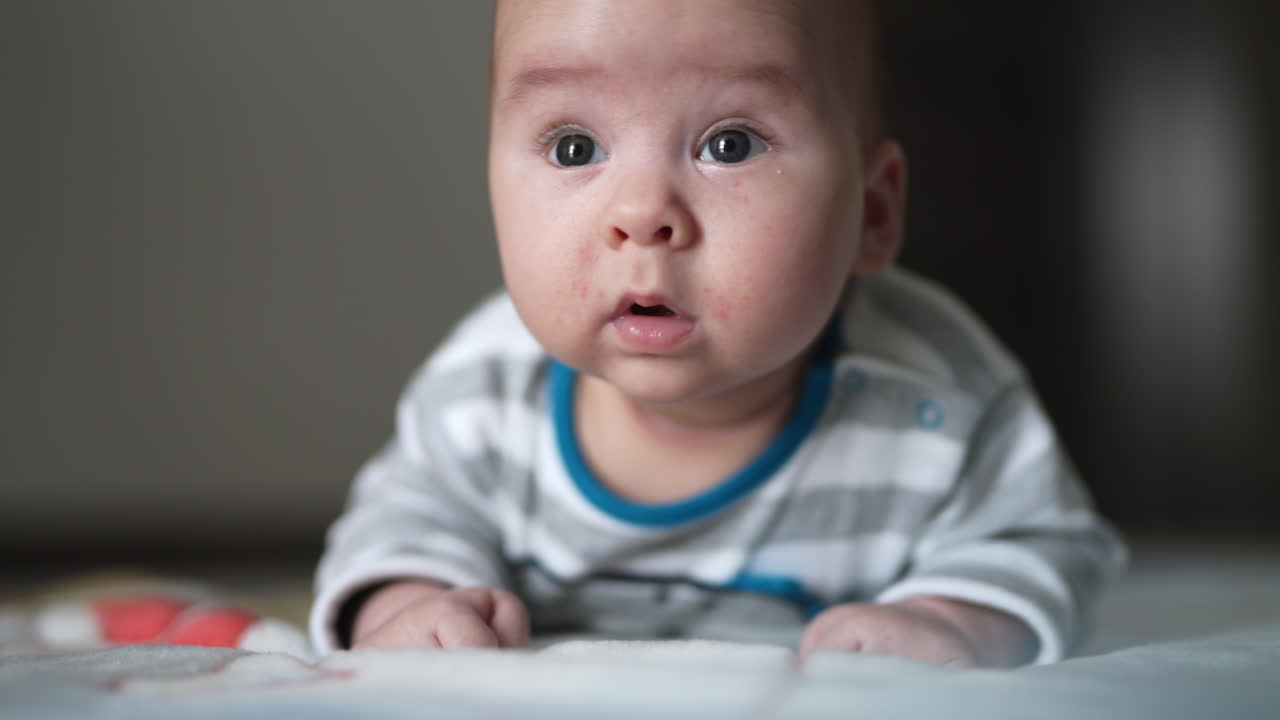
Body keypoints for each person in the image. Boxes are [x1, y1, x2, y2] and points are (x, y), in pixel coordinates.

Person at [309, 0, 1125, 668]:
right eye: (573, 146)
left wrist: (952, 623)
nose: (641, 214)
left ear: (872, 214)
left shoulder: (934, 398)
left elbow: (1042, 544)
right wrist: (411, 603)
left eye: (729, 145)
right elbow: (399, 524)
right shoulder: (482, 392)